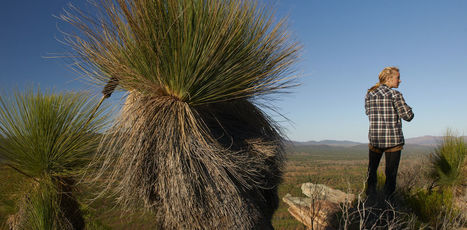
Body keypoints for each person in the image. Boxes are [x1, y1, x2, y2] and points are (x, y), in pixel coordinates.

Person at [365, 66, 414, 198]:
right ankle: (388, 206)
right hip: (393, 141)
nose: (400, 80)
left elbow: (368, 113)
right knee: (390, 176)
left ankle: (369, 201)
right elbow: (408, 116)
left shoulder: (370, 94)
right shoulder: (395, 95)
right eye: (398, 78)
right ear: (389, 78)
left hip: (375, 140)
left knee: (371, 172)